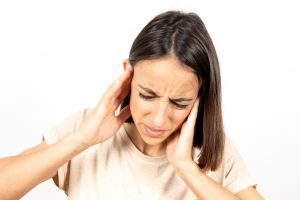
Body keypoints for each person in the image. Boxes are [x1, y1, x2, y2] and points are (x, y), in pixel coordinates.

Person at [0, 10, 264, 200]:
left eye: (179, 103)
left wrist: (186, 168)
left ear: (200, 96)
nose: (159, 120)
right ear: (129, 74)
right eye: (147, 95)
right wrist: (80, 141)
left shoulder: (212, 152)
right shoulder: (84, 130)